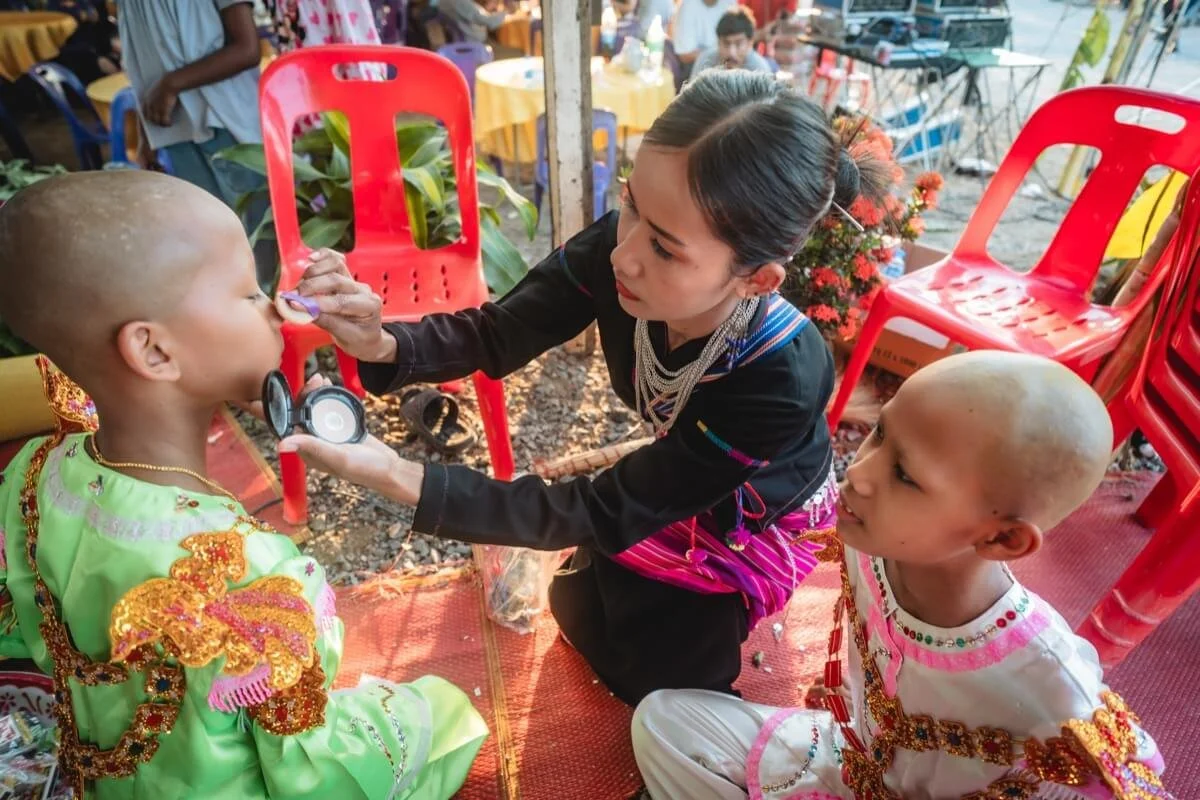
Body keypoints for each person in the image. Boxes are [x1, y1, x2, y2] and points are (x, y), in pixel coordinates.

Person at [273, 69, 888, 706]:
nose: (625, 252)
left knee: (660, 686)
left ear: (757, 279)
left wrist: (399, 476)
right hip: (667, 477)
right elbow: (500, 330)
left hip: (750, 512)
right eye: (630, 203)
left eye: (666, 247)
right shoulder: (621, 249)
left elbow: (601, 510)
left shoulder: (778, 378)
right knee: (578, 608)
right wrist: (380, 342)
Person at [0, 171, 488, 799]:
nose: (273, 304)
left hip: (116, 782)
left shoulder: (38, 471)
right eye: (246, 291)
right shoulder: (242, 567)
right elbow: (307, 774)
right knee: (443, 715)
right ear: (153, 351)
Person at [630, 351, 1173, 799]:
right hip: (840, 763)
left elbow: (1129, 783)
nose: (859, 474)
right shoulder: (871, 546)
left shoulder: (1046, 680)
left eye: (906, 476)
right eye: (878, 435)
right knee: (661, 721)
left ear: (1002, 539)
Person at [116, 0, 276, 288]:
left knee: (261, 245)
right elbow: (142, 64)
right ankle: (242, 320)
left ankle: (273, 321)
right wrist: (145, 136)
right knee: (215, 244)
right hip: (173, 129)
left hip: (230, 124)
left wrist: (171, 84)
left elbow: (247, 49)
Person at [693, 8, 774, 74]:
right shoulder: (705, 62)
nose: (731, 52)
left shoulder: (759, 69)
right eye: (726, 43)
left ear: (750, 43)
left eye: (738, 44)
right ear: (718, 42)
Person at [439, 0, 522, 58]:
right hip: (476, 46)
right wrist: (507, 11)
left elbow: (476, 15)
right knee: (520, 53)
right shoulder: (459, 2)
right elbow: (490, 22)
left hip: (469, 42)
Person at [673, 0, 736, 69]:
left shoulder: (730, 3)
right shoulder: (688, 5)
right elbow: (685, 56)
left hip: (727, 63)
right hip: (696, 67)